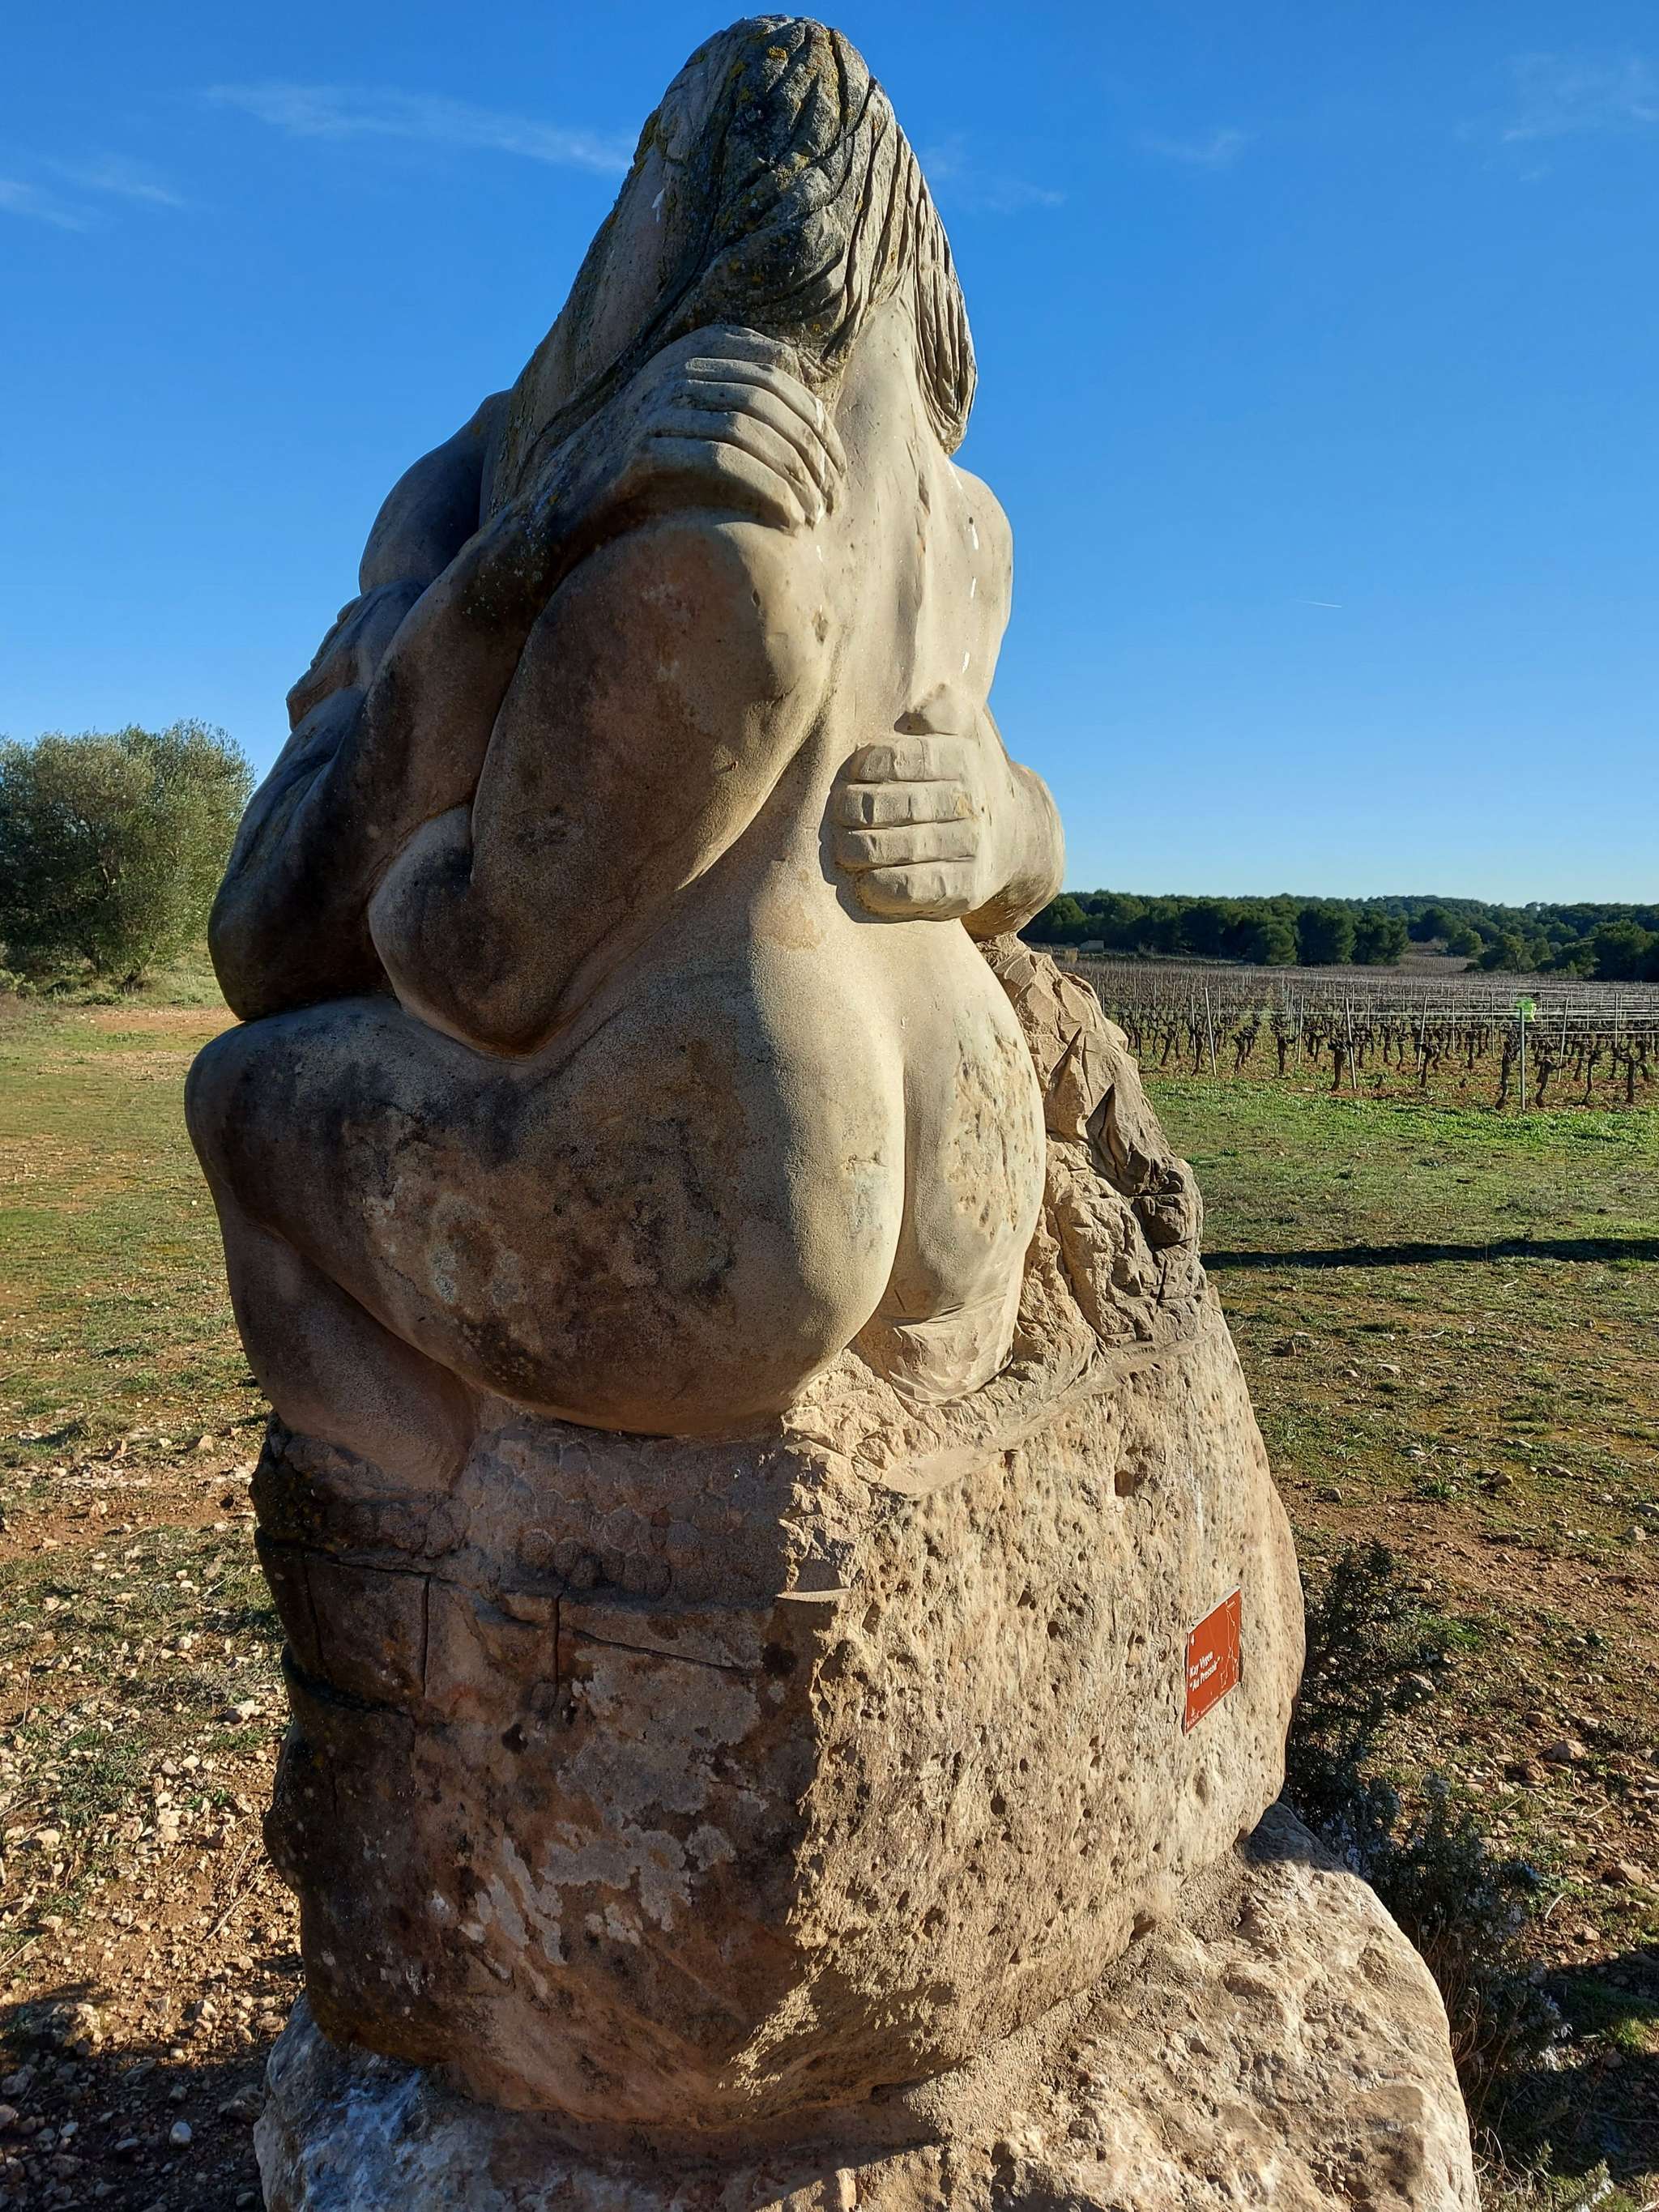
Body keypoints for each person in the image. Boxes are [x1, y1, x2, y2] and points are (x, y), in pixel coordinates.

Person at [188, 17, 1064, 1482]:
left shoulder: (669, 524)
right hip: (976, 1173)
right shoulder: (968, 529)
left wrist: (419, 874)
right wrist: (1015, 821)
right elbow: (1006, 844)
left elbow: (443, 963)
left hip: (741, 1206)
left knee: (234, 1094)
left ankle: (403, 1491)